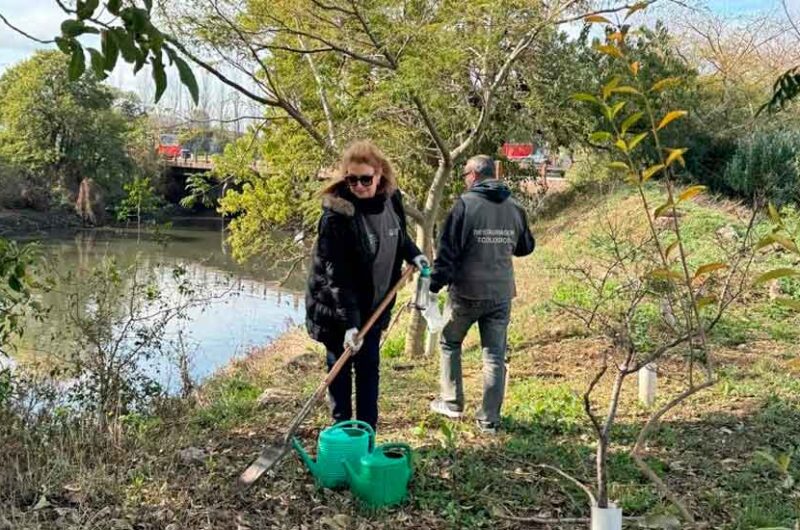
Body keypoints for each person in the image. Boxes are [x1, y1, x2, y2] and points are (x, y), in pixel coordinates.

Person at [306, 140, 429, 431]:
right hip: (336, 306)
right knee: (340, 369)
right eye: (352, 179)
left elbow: (398, 237)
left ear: (379, 174)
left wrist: (414, 254)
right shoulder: (336, 217)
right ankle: (342, 430)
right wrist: (349, 324)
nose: (359, 186)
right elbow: (337, 276)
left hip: (374, 304)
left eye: (365, 179)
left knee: (368, 367)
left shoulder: (391, 199)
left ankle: (366, 432)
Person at [428, 154, 535, 434]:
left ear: (474, 175)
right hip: (500, 293)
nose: (465, 180)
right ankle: (489, 420)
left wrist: (434, 285)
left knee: (450, 342)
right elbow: (525, 247)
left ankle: (451, 401)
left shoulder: (465, 205)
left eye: (465, 175)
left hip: (466, 292)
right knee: (494, 355)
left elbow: (447, 252)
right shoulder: (515, 206)